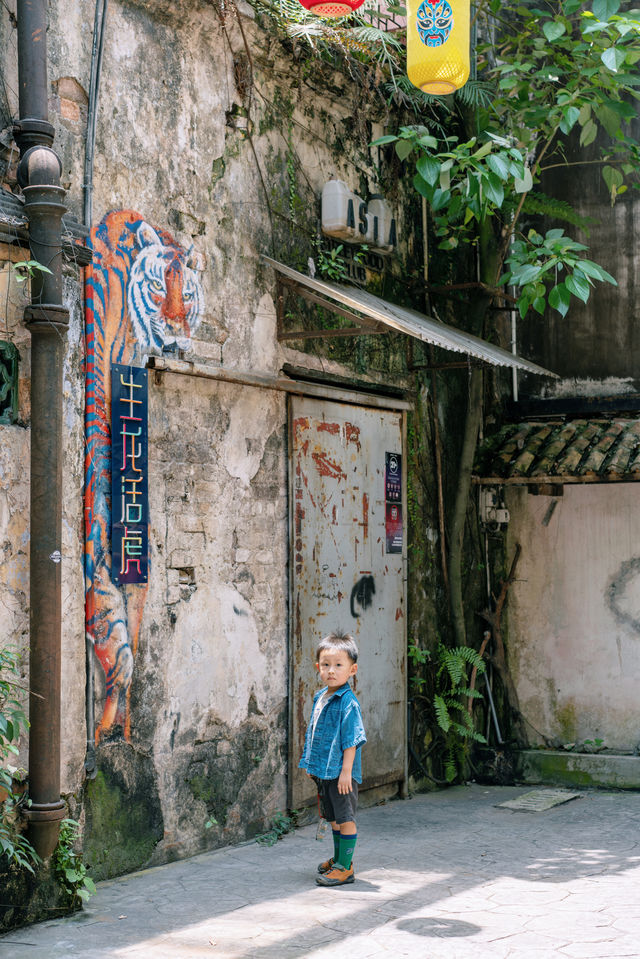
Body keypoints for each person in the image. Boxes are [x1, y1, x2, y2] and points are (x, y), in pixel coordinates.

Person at [299, 630, 366, 887]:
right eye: (326, 665)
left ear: (352, 670)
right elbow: (315, 732)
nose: (331, 670)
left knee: (346, 819)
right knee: (335, 819)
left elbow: (351, 740)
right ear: (318, 667)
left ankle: (345, 868)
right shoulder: (320, 697)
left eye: (339, 665)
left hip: (341, 774)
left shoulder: (348, 703)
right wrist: (311, 764)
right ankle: (339, 859)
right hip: (324, 771)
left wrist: (346, 773)